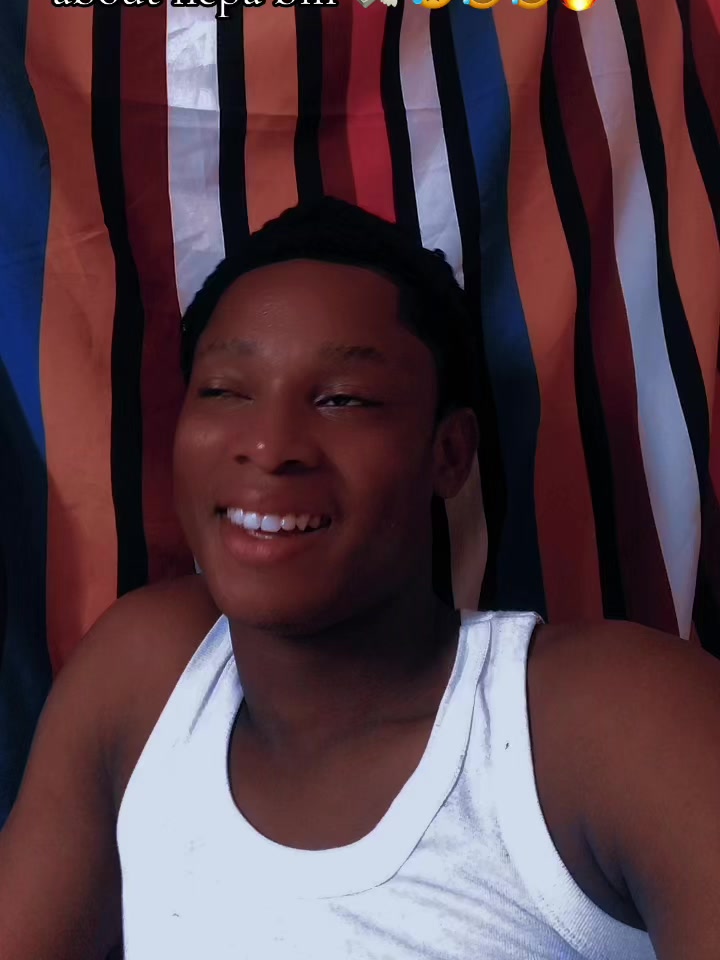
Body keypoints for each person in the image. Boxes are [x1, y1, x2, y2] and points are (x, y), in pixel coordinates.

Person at [0, 197, 718, 960]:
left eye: (343, 399)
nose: (270, 446)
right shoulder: (146, 677)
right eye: (225, 391)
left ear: (449, 453)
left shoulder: (607, 721)